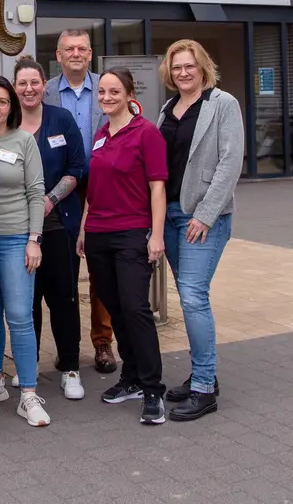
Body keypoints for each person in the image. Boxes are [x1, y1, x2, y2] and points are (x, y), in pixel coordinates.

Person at [156, 39, 243, 422]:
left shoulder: (222, 104)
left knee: (193, 298)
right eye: (177, 67)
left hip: (202, 218)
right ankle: (202, 376)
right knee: (189, 296)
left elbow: (230, 162)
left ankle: (205, 388)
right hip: (172, 216)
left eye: (189, 66)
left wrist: (206, 215)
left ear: (202, 67)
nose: (183, 73)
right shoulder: (167, 110)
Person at [78, 68, 169, 425]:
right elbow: (95, 188)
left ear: (129, 94)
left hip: (132, 233)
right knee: (115, 309)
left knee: (135, 309)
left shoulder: (146, 133)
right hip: (98, 234)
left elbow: (157, 188)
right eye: (101, 91)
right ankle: (130, 378)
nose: (106, 97)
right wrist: (84, 229)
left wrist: (157, 235)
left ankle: (152, 388)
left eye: (114, 91)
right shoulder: (101, 134)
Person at [0, 76, 51, 427]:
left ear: (11, 106)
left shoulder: (24, 140)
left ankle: (29, 393)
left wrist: (35, 239)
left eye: (1, 101)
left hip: (17, 239)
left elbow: (36, 191)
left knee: (19, 316)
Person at [43, 27, 117, 375]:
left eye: (82, 49)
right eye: (68, 49)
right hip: (61, 190)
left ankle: (103, 342)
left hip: (103, 188)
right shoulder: (43, 93)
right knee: (64, 270)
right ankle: (67, 347)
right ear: (58, 56)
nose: (76, 53)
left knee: (101, 268)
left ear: (91, 54)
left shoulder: (107, 87)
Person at [14, 57, 88, 402]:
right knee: (25, 302)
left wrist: (50, 200)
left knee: (63, 299)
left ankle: (70, 368)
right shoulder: (7, 123)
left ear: (45, 85)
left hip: (58, 226)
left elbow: (77, 166)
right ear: (14, 88)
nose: (29, 89)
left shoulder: (61, 119)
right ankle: (27, 368)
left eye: (34, 82)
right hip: (16, 230)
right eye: (22, 83)